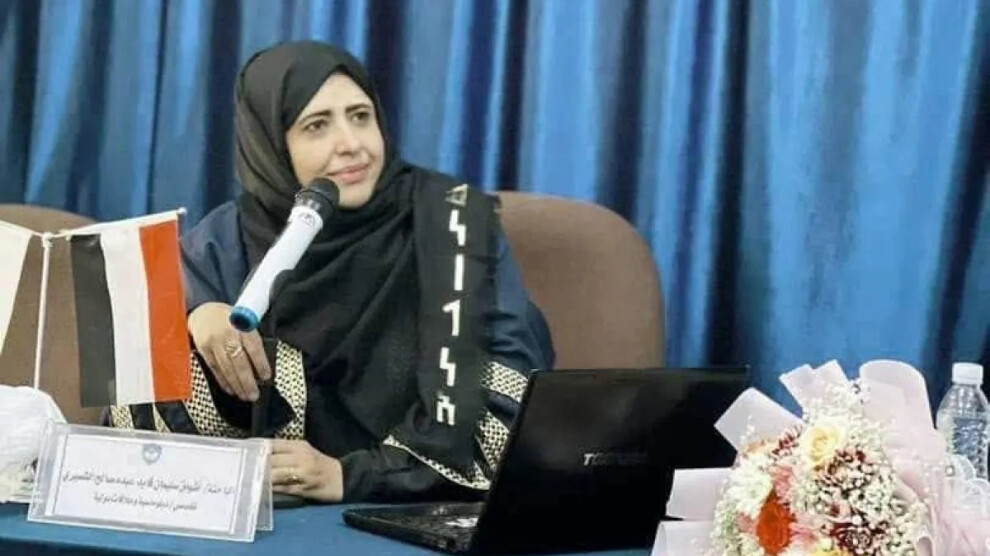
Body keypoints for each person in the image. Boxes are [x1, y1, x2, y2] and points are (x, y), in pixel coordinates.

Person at [105, 41, 554, 504]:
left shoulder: (453, 226)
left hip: (420, 510)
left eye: (360, 116)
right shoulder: (225, 240)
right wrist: (192, 321)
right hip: (275, 521)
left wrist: (347, 476)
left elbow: (500, 408)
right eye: (316, 126)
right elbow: (126, 436)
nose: (351, 144)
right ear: (270, 144)